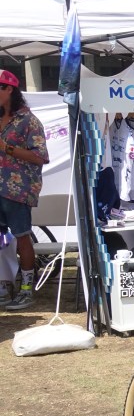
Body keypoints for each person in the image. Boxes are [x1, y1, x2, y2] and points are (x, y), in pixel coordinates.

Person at [0, 69, 49, 311]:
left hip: (17, 189)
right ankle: (4, 285)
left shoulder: (28, 121)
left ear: (9, 89)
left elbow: (40, 157)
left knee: (22, 238)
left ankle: (27, 288)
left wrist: (7, 148)